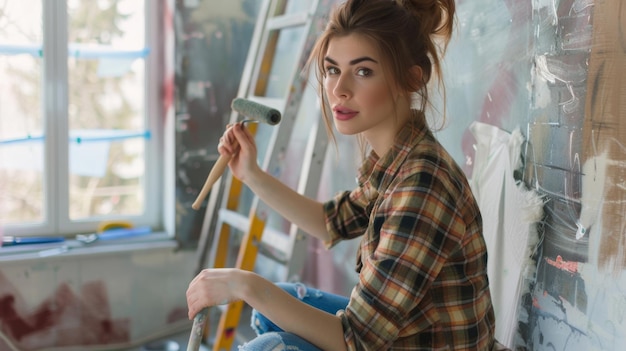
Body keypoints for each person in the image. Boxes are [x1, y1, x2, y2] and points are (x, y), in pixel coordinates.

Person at [186, 0, 496, 349]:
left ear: (410, 79)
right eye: (333, 70)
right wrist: (252, 174)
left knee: (267, 344)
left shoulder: (422, 185)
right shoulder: (396, 160)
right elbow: (330, 221)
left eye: (363, 71)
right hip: (403, 336)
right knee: (271, 311)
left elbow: (355, 340)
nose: (339, 89)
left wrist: (245, 285)